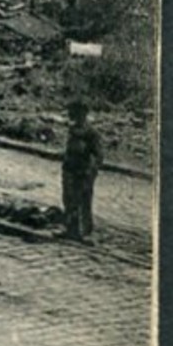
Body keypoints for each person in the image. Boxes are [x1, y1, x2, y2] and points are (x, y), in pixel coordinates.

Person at [61, 100, 103, 241]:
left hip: (82, 171)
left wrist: (91, 172)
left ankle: (84, 232)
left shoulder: (91, 133)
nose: (70, 115)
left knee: (83, 201)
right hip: (69, 169)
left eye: (74, 113)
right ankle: (70, 229)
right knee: (69, 199)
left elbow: (98, 155)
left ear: (82, 114)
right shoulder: (72, 130)